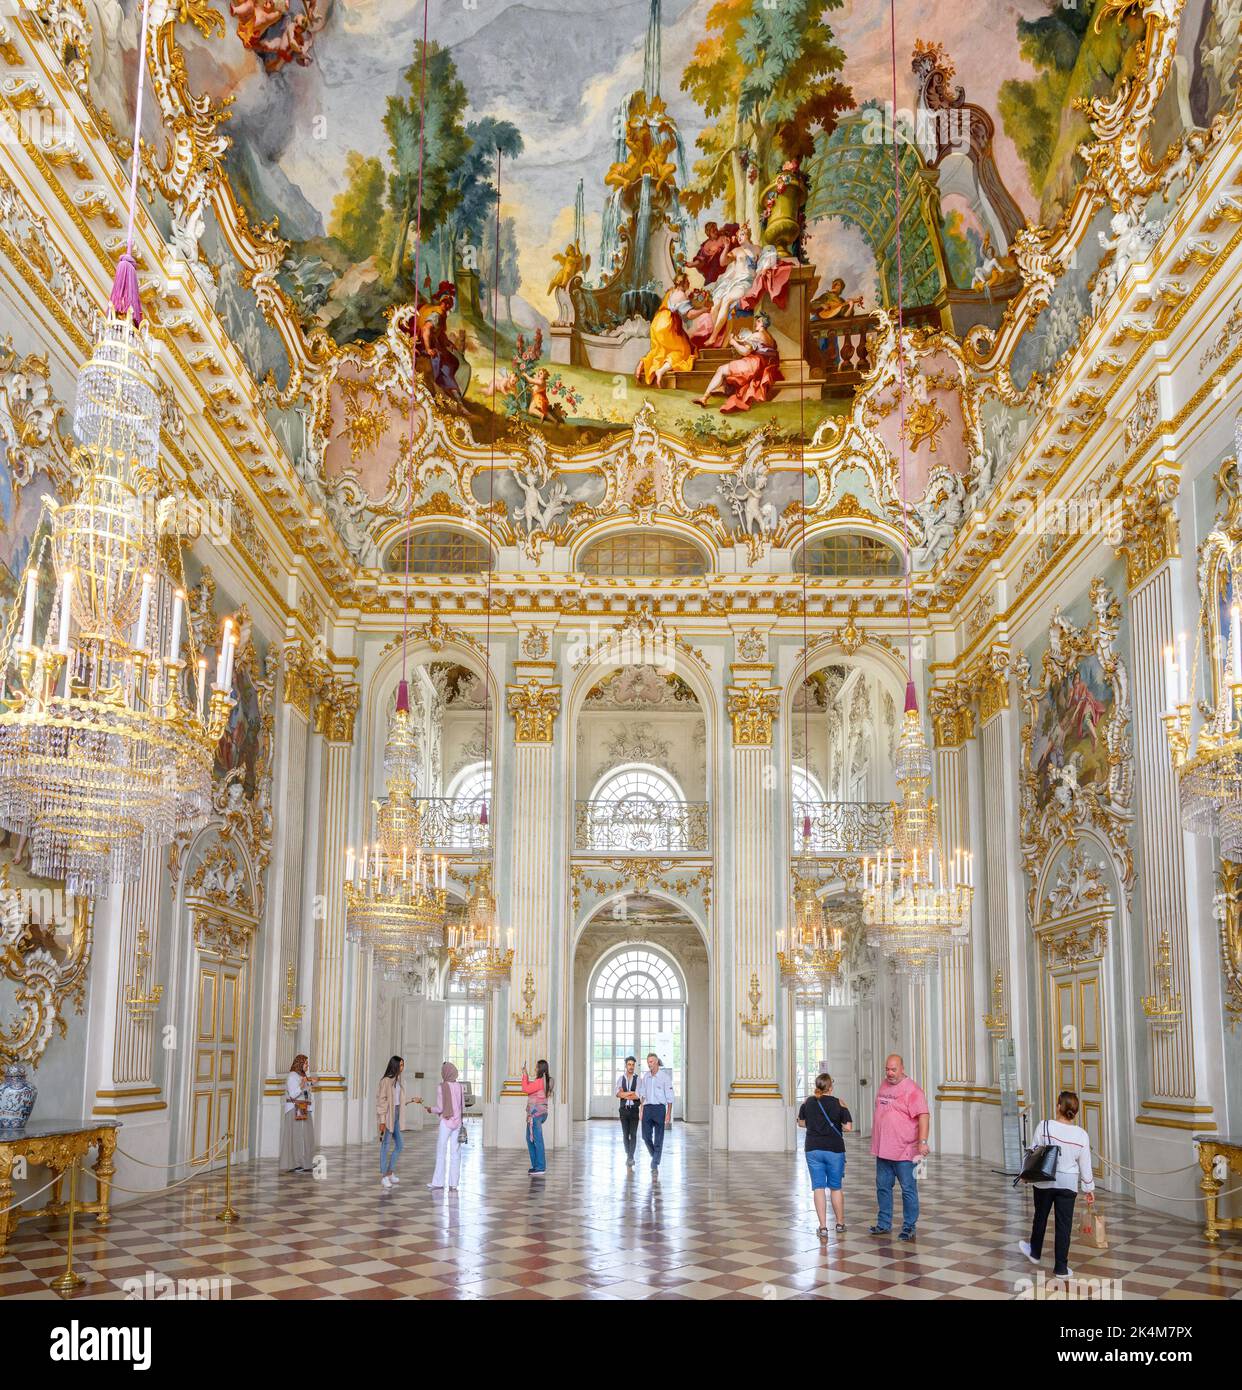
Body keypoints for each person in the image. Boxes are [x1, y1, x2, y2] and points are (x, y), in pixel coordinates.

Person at [1018, 1090, 1096, 1279]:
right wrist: (1089, 1188)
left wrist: (1024, 1173)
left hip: (1045, 1180)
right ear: (1075, 1111)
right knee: (1064, 1224)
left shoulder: (1044, 1126)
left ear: (1059, 1106)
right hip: (1068, 1183)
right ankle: (1061, 1267)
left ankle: (1035, 1252)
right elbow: (1085, 1165)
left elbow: (1033, 1153)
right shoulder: (1081, 1135)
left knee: (1040, 1217)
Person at [869, 1053, 930, 1240]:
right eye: (887, 1069)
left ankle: (909, 1226)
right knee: (883, 1187)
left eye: (893, 1069)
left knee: (908, 1189)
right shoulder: (884, 1085)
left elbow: (924, 1116)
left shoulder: (913, 1090)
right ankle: (884, 1223)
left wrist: (923, 1142)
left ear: (902, 1068)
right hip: (883, 1150)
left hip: (906, 1151)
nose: (889, 1073)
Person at [797, 1072, 853, 1238]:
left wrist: (814, 1124)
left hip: (813, 1149)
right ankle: (840, 1223)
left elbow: (801, 1123)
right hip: (834, 1150)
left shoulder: (808, 1102)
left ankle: (822, 1227)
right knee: (835, 1187)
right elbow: (848, 1127)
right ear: (831, 1087)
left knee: (818, 1187)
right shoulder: (839, 1103)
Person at [693, 313, 783, 413]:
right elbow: (759, 348)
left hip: (752, 364)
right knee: (727, 370)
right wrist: (741, 341)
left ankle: (704, 398)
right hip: (760, 365)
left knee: (721, 369)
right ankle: (722, 388)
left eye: (758, 321)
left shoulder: (757, 335)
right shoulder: (770, 337)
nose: (756, 323)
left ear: (762, 323)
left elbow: (745, 352)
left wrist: (733, 342)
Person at [636, 275, 698, 387]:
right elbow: (689, 314)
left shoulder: (671, 292)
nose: (689, 283)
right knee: (683, 351)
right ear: (683, 283)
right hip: (668, 323)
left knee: (661, 349)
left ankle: (644, 362)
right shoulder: (681, 295)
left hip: (657, 322)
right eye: (687, 281)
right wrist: (704, 309)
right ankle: (661, 371)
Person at [375, 1055, 420, 1190]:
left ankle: (390, 1172)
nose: (402, 1067)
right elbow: (381, 1102)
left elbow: (398, 1102)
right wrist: (382, 1121)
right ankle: (384, 1176)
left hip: (396, 1115)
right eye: (400, 1065)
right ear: (394, 1066)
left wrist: (412, 1100)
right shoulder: (386, 1081)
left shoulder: (397, 1081)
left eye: (403, 1065)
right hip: (388, 1116)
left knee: (400, 1145)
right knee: (386, 1145)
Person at [424, 1061, 465, 1191]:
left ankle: (438, 1182)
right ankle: (454, 1184)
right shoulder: (459, 1086)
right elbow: (462, 1105)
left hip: (446, 1122)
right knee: (455, 1153)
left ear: (445, 1072)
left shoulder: (441, 1087)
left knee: (441, 1151)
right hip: (457, 1122)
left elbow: (440, 1108)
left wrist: (431, 1109)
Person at [637, 1052, 674, 1175]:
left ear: (657, 1061)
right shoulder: (646, 1076)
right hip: (647, 1109)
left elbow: (670, 1097)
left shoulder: (665, 1077)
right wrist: (641, 1110)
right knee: (645, 1137)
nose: (649, 1064)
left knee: (658, 1138)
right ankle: (655, 1156)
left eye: (651, 1062)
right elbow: (642, 1094)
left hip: (659, 1109)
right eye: (648, 1062)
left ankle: (655, 1163)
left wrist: (668, 1113)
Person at [279, 1054, 316, 1174]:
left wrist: (310, 1083)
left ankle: (306, 1162)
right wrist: (302, 1085)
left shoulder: (302, 1075)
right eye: (305, 1063)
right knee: (297, 1137)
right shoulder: (292, 1076)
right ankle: (296, 1163)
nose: (307, 1065)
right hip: (295, 1109)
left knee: (305, 1135)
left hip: (303, 1107)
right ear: (299, 1063)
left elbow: (306, 1091)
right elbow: (293, 1094)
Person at [521, 1060, 553, 1176]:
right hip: (541, 1113)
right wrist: (527, 1076)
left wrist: (524, 1074)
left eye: (536, 1067)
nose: (535, 1069)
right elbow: (531, 1088)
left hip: (536, 1114)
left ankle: (540, 1167)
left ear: (540, 1069)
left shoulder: (540, 1081)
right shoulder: (544, 1081)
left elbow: (525, 1089)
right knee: (530, 1139)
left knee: (537, 1140)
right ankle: (536, 1166)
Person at [616, 1056, 641, 1167]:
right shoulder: (621, 1079)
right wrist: (631, 1093)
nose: (631, 1067)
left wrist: (625, 1094)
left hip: (634, 1110)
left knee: (633, 1134)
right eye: (629, 1064)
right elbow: (618, 1094)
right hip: (623, 1111)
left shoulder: (638, 1079)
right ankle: (628, 1155)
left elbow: (638, 1096)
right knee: (625, 1134)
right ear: (626, 1065)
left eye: (632, 1065)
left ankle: (631, 1157)